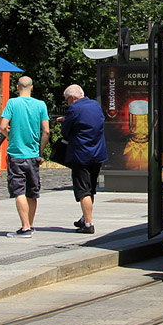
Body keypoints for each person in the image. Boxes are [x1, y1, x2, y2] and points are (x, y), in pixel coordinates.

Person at [0, 76, 49, 238]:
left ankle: (25, 227)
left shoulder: (12, 103)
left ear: (17, 87)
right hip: (33, 154)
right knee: (32, 192)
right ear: (32, 87)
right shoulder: (40, 105)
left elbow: (2, 126)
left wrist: (10, 137)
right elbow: (46, 132)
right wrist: (40, 152)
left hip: (16, 154)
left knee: (19, 190)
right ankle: (31, 224)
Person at [60, 84, 108, 234]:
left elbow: (65, 131)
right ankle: (85, 217)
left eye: (67, 100)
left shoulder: (74, 109)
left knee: (83, 191)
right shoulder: (95, 105)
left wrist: (65, 120)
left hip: (81, 155)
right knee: (91, 188)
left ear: (72, 98)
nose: (67, 103)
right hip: (98, 153)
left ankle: (88, 224)